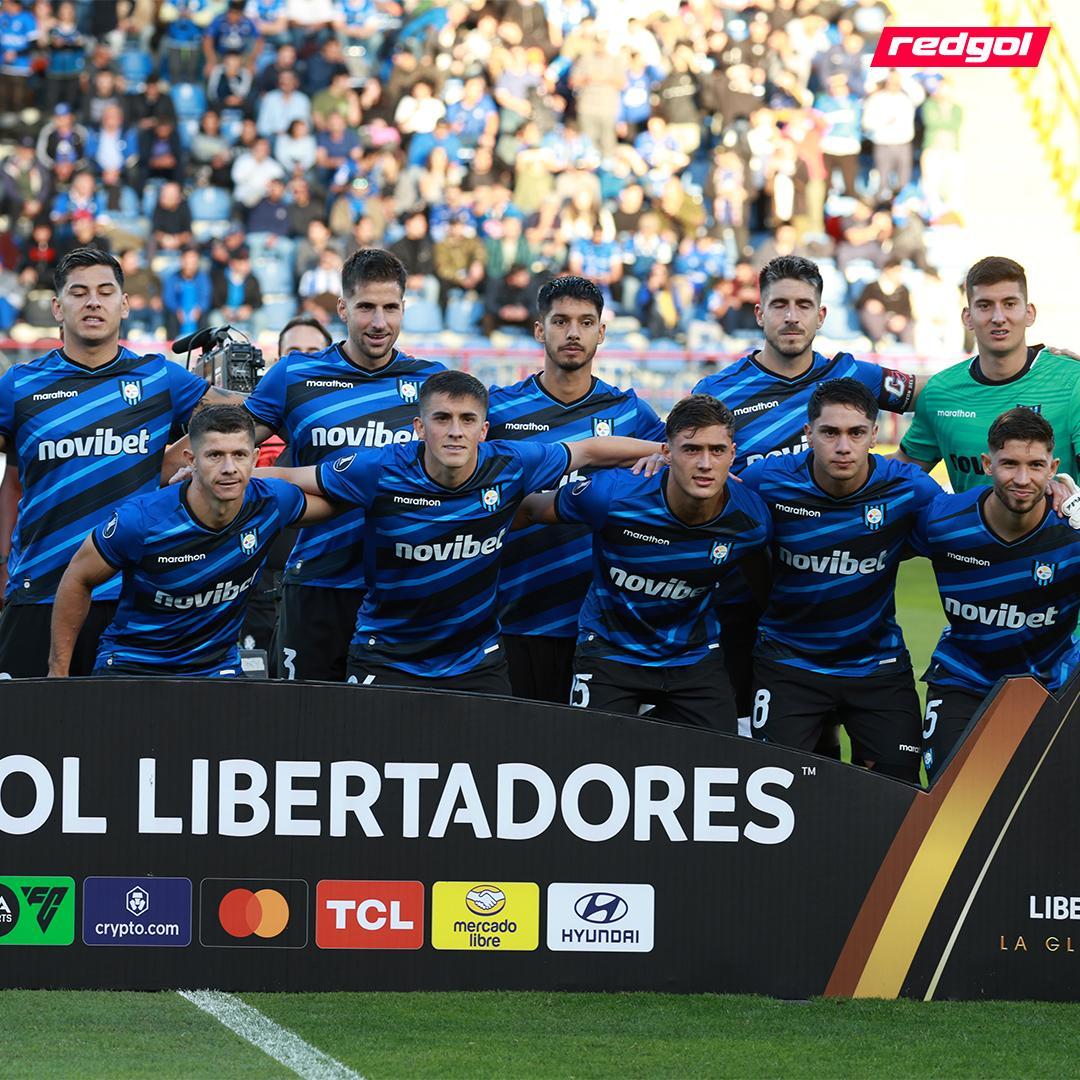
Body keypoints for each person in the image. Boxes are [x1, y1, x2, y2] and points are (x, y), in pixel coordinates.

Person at [258, 371, 663, 694]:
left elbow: (590, 449)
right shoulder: (378, 468)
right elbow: (292, 475)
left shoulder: (511, 463)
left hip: (477, 661)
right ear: (419, 427)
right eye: (442, 419)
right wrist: (214, 480)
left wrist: (665, 453)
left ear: (484, 430)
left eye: (467, 420)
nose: (455, 431)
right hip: (388, 656)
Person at [691, 255, 918, 728]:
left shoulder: (858, 376)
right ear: (760, 314)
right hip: (738, 596)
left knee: (821, 742)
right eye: (779, 305)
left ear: (821, 314)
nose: (791, 316)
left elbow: (941, 398)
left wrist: (1014, 372)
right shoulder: (717, 392)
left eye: (802, 304)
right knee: (747, 743)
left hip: (825, 596)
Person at [0, 248, 220, 678]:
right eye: (78, 293)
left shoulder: (161, 379)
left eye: (105, 292)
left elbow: (243, 422)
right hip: (39, 588)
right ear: (57, 308)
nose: (93, 302)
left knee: (123, 737)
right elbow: (11, 481)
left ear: (124, 304)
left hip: (130, 596)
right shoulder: (19, 386)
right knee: (24, 735)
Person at [241, 248, 445, 682]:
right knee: (302, 730)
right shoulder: (294, 376)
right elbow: (230, 440)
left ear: (404, 309)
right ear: (342, 308)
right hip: (317, 582)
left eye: (390, 308)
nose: (378, 322)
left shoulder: (433, 383)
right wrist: (185, 465)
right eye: (366, 307)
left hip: (403, 588)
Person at [515, 394, 771, 730]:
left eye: (717, 451)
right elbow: (530, 509)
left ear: (732, 455)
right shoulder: (612, 495)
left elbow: (763, 585)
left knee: (720, 766)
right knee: (588, 761)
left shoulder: (751, 519)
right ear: (666, 452)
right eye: (691, 450)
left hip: (692, 657)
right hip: (610, 651)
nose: (705, 464)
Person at [741, 378, 943, 783]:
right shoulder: (766, 480)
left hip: (876, 664)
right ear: (808, 434)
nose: (843, 446)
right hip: (788, 661)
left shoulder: (908, 487)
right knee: (774, 784)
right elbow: (704, 498)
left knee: (895, 784)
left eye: (856, 433)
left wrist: (1055, 491)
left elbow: (975, 520)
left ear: (875, 434)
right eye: (829, 432)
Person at [49, 407, 334, 678]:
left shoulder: (271, 502)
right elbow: (77, 578)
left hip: (216, 668)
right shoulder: (140, 521)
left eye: (239, 455)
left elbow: (341, 500)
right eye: (214, 455)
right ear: (190, 459)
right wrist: (58, 671)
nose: (229, 468)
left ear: (256, 457)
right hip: (134, 664)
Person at [487, 275, 665, 704]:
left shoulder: (630, 413)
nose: (572, 333)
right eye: (561, 320)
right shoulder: (499, 409)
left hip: (603, 625)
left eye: (586, 322)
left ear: (601, 332)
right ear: (539, 329)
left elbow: (676, 461)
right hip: (514, 615)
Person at [912, 409, 1080, 778]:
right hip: (963, 676)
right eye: (1009, 464)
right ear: (987, 463)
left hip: (1050, 681)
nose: (1023, 479)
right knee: (950, 795)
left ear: (1054, 468)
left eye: (1036, 465)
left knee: (1045, 803)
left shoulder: (1073, 531)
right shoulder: (941, 520)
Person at [898, 256, 1080, 490]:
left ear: (1029, 313)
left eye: (1010, 304)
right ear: (967, 317)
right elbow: (902, 472)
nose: (998, 318)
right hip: (971, 527)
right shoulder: (940, 391)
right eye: (984, 305)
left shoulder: (1073, 381)